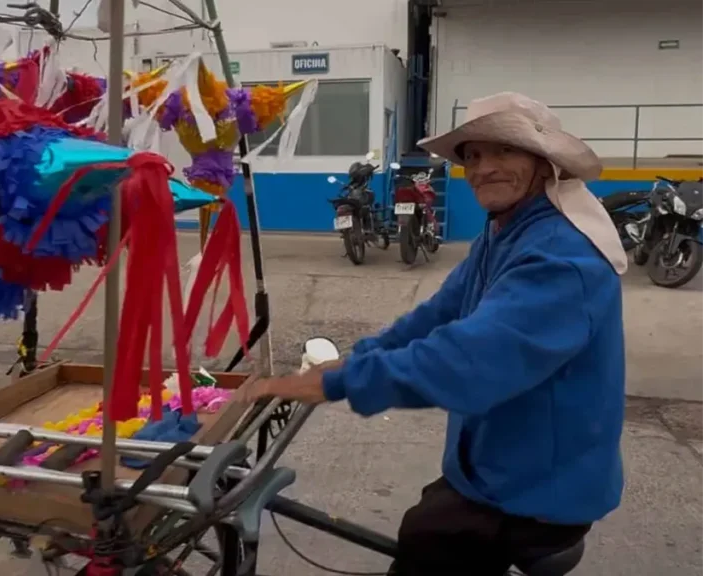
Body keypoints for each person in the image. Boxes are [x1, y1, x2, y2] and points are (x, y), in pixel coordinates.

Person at [247, 92, 628, 575]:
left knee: (425, 539)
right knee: (427, 523)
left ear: (543, 163)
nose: (484, 167)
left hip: (539, 486)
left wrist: (334, 383)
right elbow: (438, 315)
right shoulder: (507, 230)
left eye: (503, 151)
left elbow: (469, 361)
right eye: (473, 155)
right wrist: (352, 360)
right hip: (495, 464)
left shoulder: (560, 256)